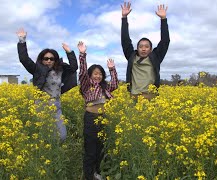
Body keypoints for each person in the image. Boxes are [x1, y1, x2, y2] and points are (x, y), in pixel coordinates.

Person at [16, 27, 78, 141]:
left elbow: (74, 67)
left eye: (51, 58)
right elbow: (24, 59)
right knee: (44, 135)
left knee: (62, 136)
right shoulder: (36, 70)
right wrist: (22, 40)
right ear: (42, 60)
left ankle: (55, 150)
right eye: (46, 58)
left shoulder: (60, 70)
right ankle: (48, 155)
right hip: (41, 106)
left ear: (55, 60)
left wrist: (69, 52)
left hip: (56, 104)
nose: (49, 61)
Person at [77, 41, 118, 180]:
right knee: (90, 149)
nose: (98, 76)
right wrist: (82, 55)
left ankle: (98, 172)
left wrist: (112, 70)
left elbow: (115, 84)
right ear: (90, 75)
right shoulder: (86, 86)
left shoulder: (105, 88)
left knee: (101, 147)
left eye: (100, 74)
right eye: (95, 74)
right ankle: (88, 175)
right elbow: (82, 73)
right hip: (90, 118)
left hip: (103, 118)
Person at [121, 2, 170, 100]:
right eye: (141, 46)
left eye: (147, 46)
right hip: (134, 97)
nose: (143, 49)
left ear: (151, 49)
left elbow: (165, 41)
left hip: (151, 98)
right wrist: (124, 18)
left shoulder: (155, 57)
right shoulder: (132, 57)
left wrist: (163, 19)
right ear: (137, 48)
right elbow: (125, 40)